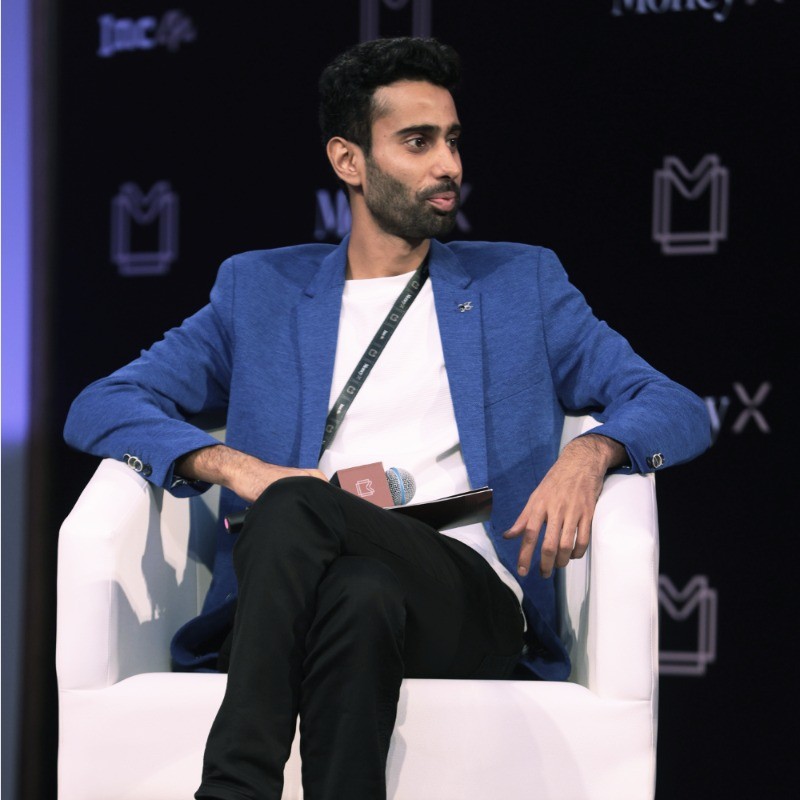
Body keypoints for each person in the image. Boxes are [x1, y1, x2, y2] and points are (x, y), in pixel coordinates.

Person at [64, 36, 711, 800]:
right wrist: (235, 466)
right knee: (357, 591)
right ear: (348, 162)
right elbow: (100, 404)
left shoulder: (521, 284)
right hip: (309, 589)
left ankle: (235, 785)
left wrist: (592, 452)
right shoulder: (259, 290)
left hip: (467, 593)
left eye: (453, 141)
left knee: (299, 505)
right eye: (418, 142)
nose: (450, 166)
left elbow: (676, 407)